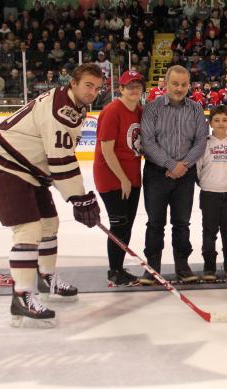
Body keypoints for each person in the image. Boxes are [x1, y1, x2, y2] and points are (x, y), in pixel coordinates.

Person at [0, 64, 104, 328]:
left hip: (29, 169)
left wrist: (75, 196)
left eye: (98, 88)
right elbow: (60, 159)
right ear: (74, 84)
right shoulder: (62, 110)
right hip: (5, 165)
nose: (93, 92)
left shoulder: (73, 105)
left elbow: (54, 156)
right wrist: (78, 198)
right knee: (28, 229)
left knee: (49, 224)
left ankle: (47, 278)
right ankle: (22, 295)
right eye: (88, 85)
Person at [140, 65, 209, 284]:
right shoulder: (152, 108)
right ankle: (152, 267)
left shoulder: (196, 109)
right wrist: (170, 164)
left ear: (189, 85)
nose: (179, 89)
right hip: (156, 174)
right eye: (175, 84)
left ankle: (182, 266)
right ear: (166, 83)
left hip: (185, 175)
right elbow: (147, 142)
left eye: (183, 84)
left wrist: (184, 165)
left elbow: (200, 141)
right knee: (155, 222)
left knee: (182, 222)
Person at [93, 70, 145, 287]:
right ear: (121, 89)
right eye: (129, 86)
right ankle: (114, 271)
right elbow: (107, 150)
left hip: (132, 176)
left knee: (127, 225)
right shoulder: (112, 110)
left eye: (138, 86)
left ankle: (119, 267)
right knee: (119, 224)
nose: (134, 90)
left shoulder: (140, 111)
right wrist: (122, 179)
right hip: (112, 177)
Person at [196, 105, 227, 281]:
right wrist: (206, 183)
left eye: (224, 120)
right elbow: (198, 168)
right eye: (217, 120)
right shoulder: (204, 143)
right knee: (209, 231)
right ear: (211, 122)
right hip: (209, 193)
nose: (221, 124)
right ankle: (209, 267)